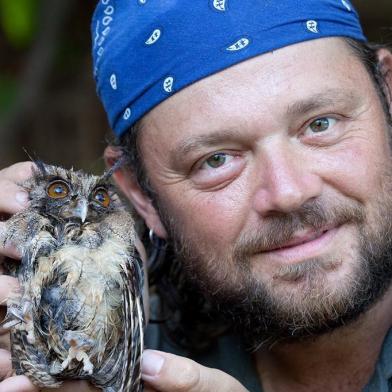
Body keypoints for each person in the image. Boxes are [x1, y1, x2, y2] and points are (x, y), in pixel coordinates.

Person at [1, 1, 392, 391]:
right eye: (216, 160)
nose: (288, 192)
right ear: (142, 195)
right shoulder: (113, 361)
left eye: (320, 124)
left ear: (388, 94)